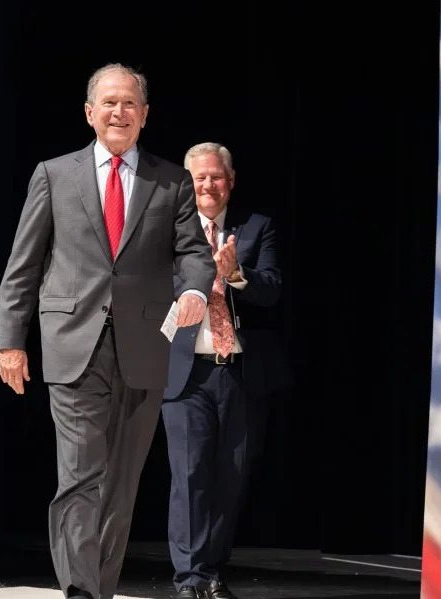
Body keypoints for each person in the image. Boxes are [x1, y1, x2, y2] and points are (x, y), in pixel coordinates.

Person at [0, 63, 216, 599]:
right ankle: (80, 591)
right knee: (79, 476)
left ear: (145, 115)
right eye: (110, 103)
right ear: (90, 113)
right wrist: (10, 342)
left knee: (121, 485)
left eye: (130, 103)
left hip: (144, 349)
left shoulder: (172, 180)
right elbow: (23, 266)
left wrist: (193, 290)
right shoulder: (54, 174)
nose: (120, 112)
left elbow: (193, 253)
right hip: (73, 344)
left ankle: (100, 590)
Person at [161, 143, 290, 599]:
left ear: (230, 181)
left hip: (240, 374)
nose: (208, 185)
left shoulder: (256, 228)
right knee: (190, 475)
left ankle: (212, 571)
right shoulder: (168, 229)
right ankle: (189, 577)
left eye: (216, 177)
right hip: (186, 374)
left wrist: (236, 275)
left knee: (230, 479)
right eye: (199, 178)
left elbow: (271, 289)